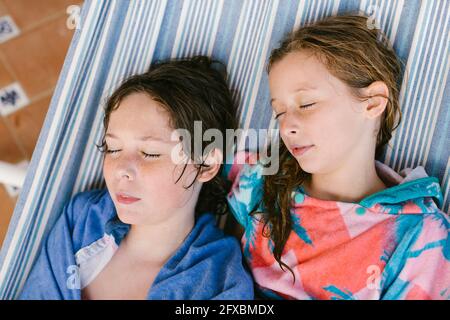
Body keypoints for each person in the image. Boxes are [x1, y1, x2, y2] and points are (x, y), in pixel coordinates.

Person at [225, 15, 450, 300]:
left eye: (306, 104)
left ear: (372, 103)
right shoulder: (262, 180)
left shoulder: (420, 234)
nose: (285, 126)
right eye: (279, 113)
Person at [20, 56, 254, 300]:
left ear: (206, 164)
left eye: (150, 153)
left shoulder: (220, 281)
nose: (121, 169)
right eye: (112, 148)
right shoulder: (82, 219)